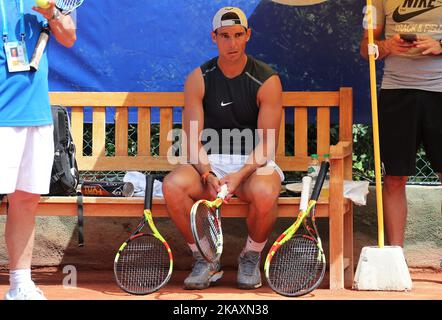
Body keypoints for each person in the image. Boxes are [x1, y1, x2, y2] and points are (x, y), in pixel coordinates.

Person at [162, 6, 284, 290]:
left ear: (248, 35)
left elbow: (267, 144)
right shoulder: (198, 78)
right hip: (210, 163)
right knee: (173, 186)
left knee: (266, 193)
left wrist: (239, 175)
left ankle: (251, 256)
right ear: (213, 37)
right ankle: (205, 258)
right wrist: (206, 174)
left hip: (253, 166)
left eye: (238, 35)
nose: (232, 43)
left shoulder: (267, 80)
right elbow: (191, 138)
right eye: (225, 35)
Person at [0, 0, 76, 300]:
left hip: (35, 112)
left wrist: (52, 13)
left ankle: (20, 285)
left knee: (26, 201)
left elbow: (69, 36)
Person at [360, 0, 442, 247]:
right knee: (394, 177)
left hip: (439, 91)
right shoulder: (376, 0)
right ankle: (396, 257)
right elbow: (366, 49)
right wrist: (385, 46)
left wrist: (439, 45)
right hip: (396, 92)